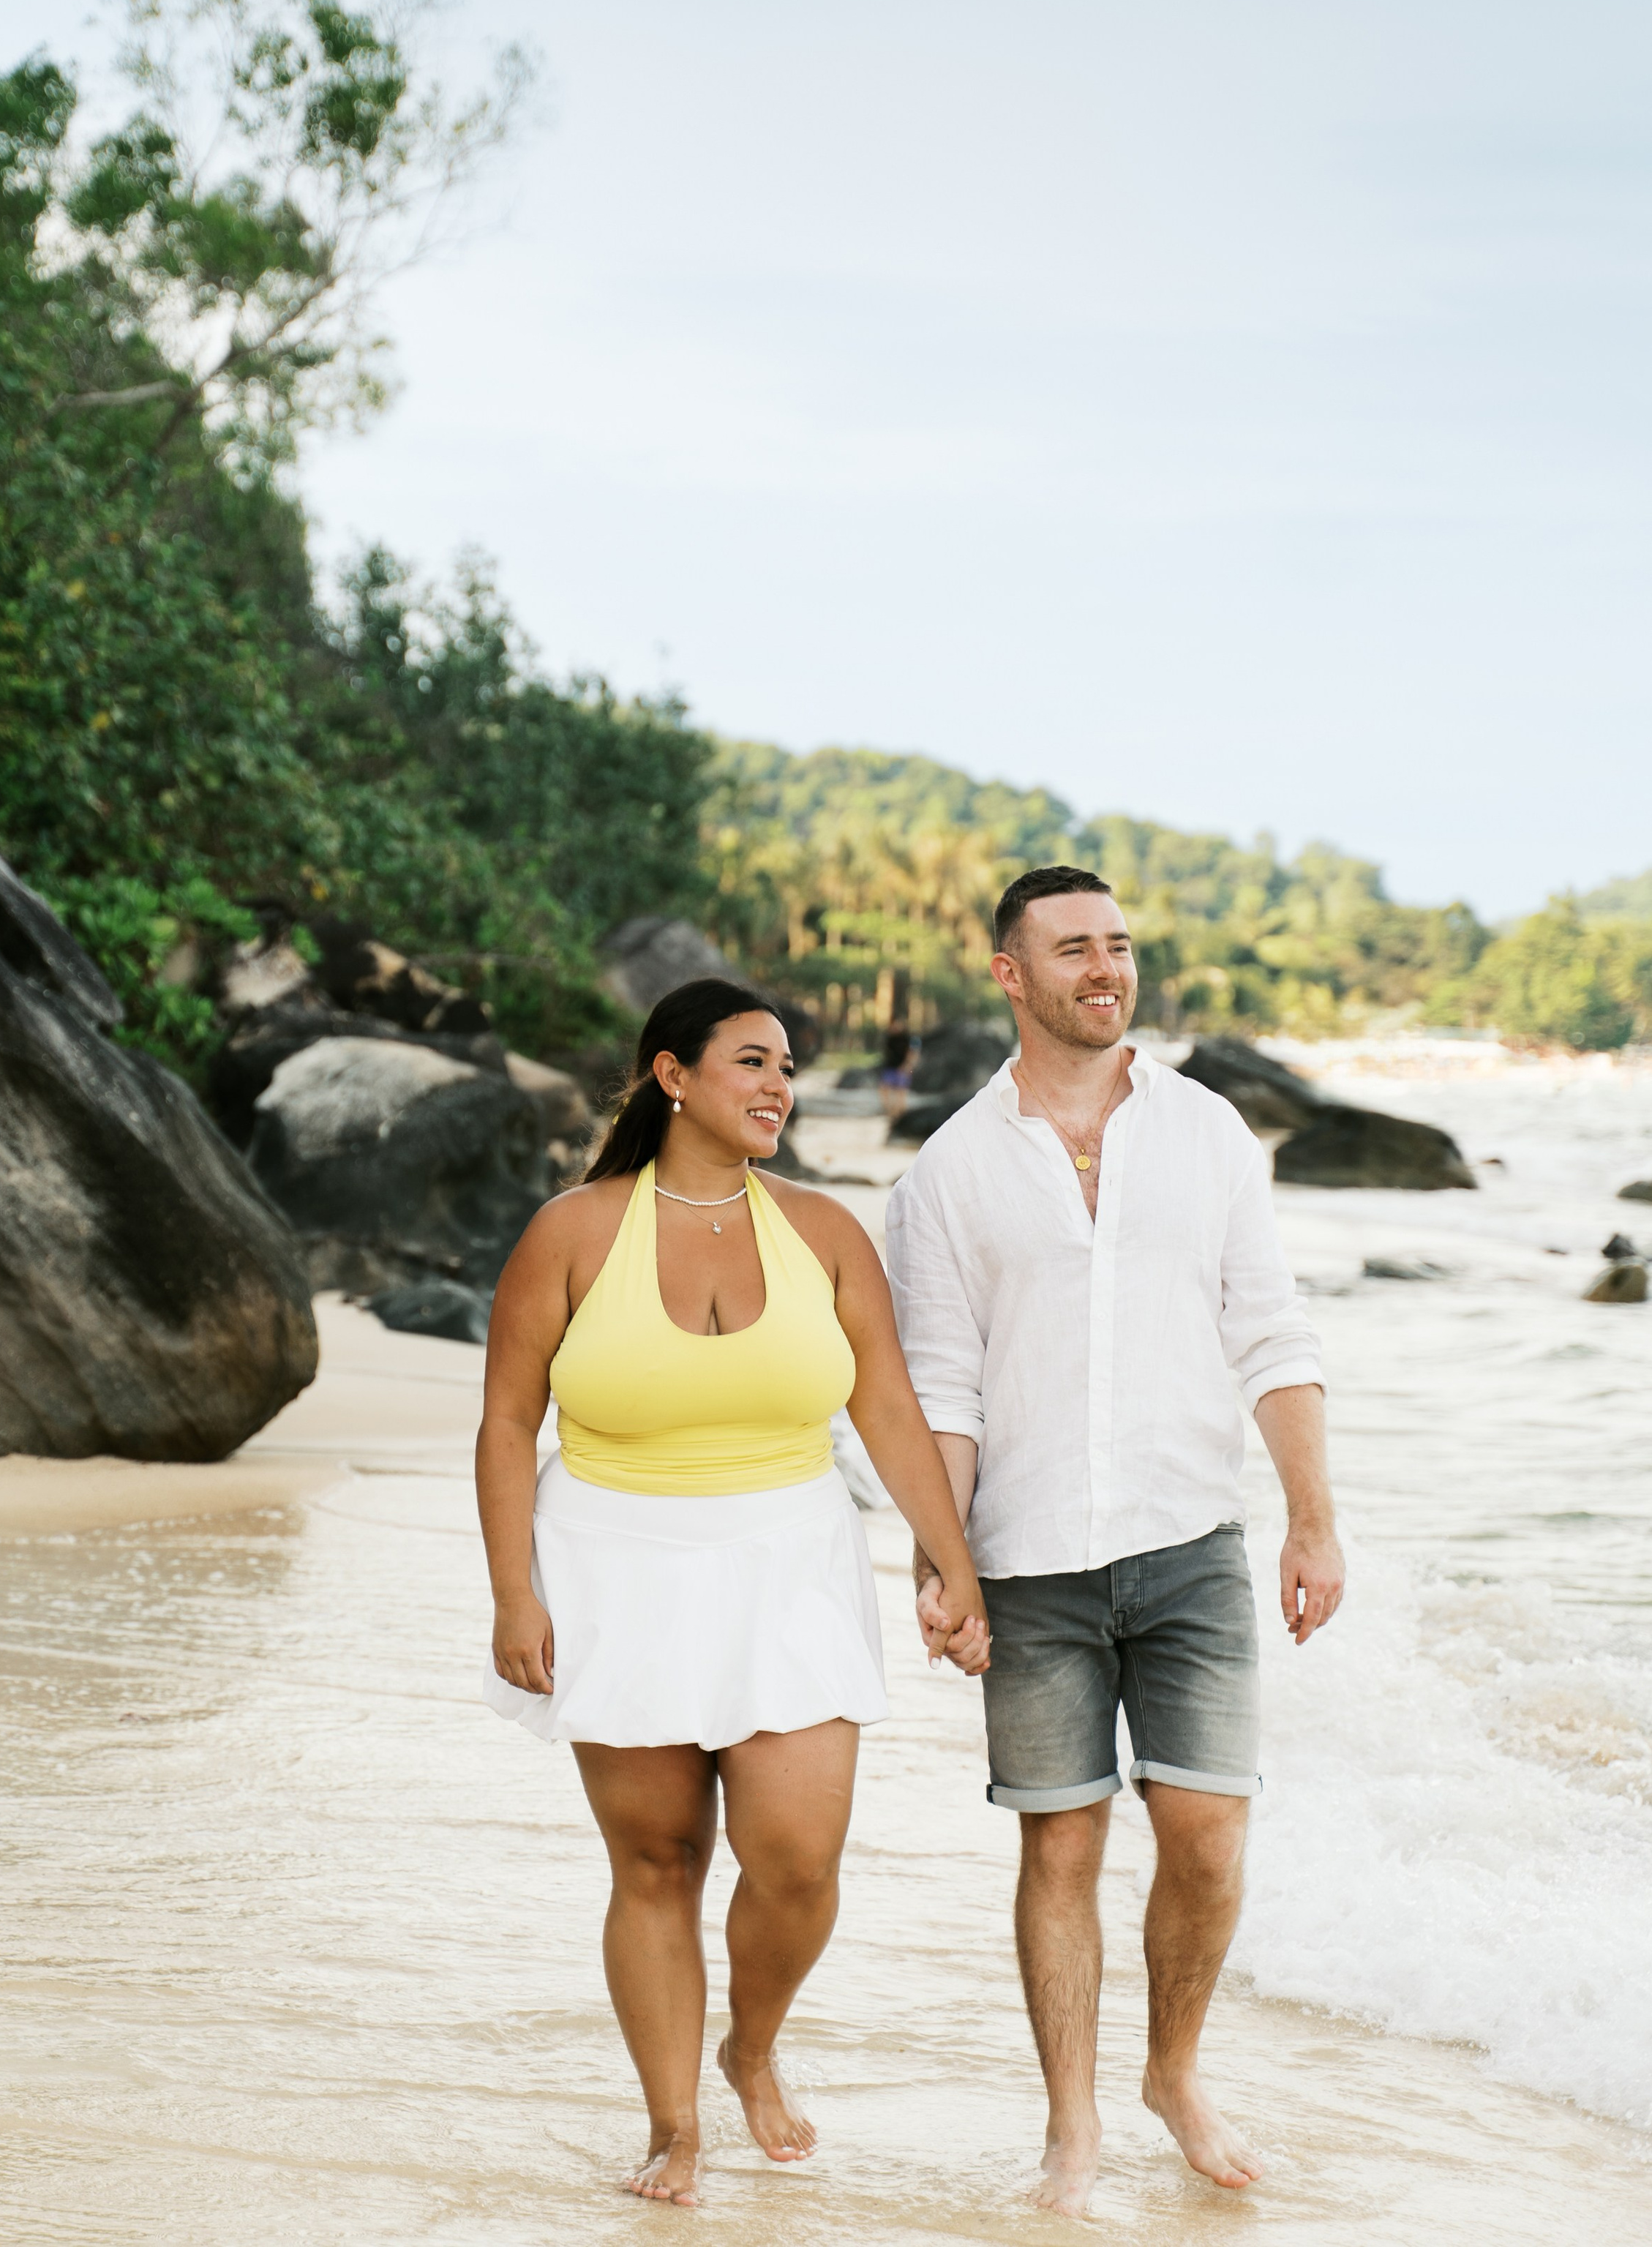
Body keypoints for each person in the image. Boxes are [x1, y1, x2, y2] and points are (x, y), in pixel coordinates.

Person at [478, 977, 991, 2209]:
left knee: (799, 1858)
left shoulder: (821, 1232)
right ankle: (674, 2127)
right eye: (754, 1062)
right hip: (610, 1557)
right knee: (656, 1859)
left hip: (789, 1558)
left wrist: (953, 1562)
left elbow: (887, 1410)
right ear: (673, 1076)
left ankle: (750, 2046)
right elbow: (505, 1422)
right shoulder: (574, 1231)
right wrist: (513, 1594)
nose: (780, 1087)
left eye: (788, 1069)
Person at [886, 866, 1344, 2218]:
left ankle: (1174, 2073)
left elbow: (1273, 1334)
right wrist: (943, 1563)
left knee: (1208, 1836)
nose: (1106, 968)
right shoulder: (949, 1172)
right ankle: (1073, 2130)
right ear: (1009, 973)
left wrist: (1313, 1520)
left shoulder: (1208, 1136)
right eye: (1073, 947)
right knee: (1061, 1851)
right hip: (1030, 1559)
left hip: (1190, 1538)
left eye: (1121, 946)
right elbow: (942, 1390)